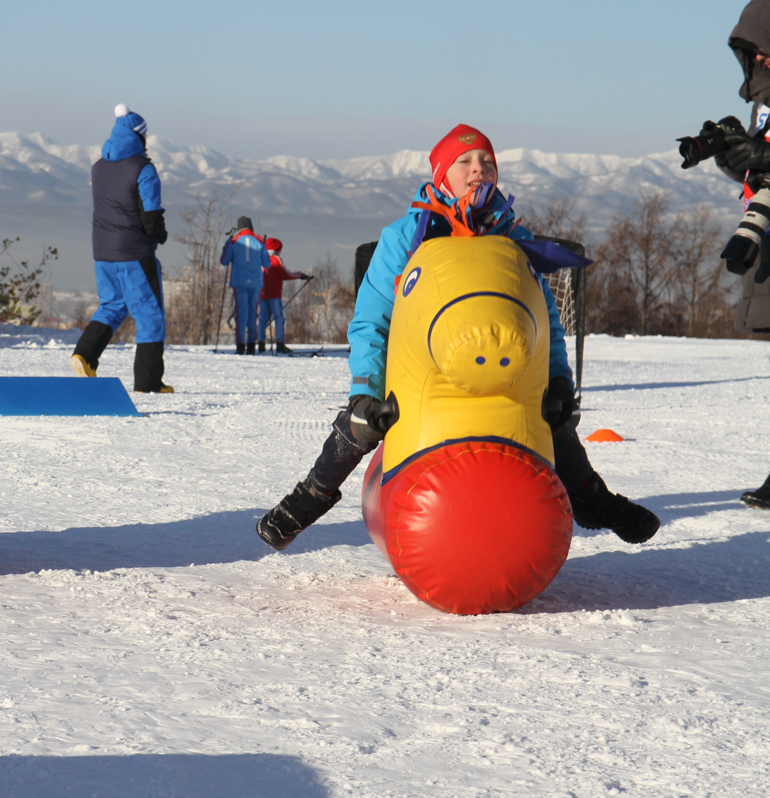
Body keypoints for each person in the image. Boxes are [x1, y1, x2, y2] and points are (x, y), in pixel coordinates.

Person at [256, 124, 660, 551]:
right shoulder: (404, 237)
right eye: (464, 162)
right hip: (421, 374)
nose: (478, 169)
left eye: (487, 161)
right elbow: (371, 320)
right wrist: (364, 389)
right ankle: (312, 495)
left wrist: (559, 380)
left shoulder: (513, 239)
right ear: (440, 175)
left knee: (552, 416)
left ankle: (590, 498)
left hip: (503, 373)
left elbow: (546, 323)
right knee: (362, 422)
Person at [70, 104, 172, 393]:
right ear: (140, 137)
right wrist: (158, 236)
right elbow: (150, 213)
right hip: (134, 252)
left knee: (112, 306)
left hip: (102, 251)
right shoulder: (143, 168)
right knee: (149, 314)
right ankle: (148, 381)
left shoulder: (98, 166)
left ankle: (85, 355)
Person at [714, 0, 770, 507]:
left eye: (764, 49)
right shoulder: (764, 103)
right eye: (751, 51)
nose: (756, 60)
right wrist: (736, 156)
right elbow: (762, 170)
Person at [221, 217, 270, 355]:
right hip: (256, 282)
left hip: (239, 281)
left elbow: (224, 261)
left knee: (241, 313)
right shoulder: (260, 241)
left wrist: (226, 244)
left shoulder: (234, 241)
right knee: (252, 313)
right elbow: (267, 264)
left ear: (239, 228)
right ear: (251, 227)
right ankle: (251, 345)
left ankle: (240, 345)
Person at [257, 237, 308, 354]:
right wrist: (299, 275)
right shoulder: (275, 259)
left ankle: (261, 344)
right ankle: (279, 344)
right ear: (276, 249)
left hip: (262, 294)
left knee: (262, 319)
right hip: (274, 294)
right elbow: (285, 274)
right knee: (278, 318)